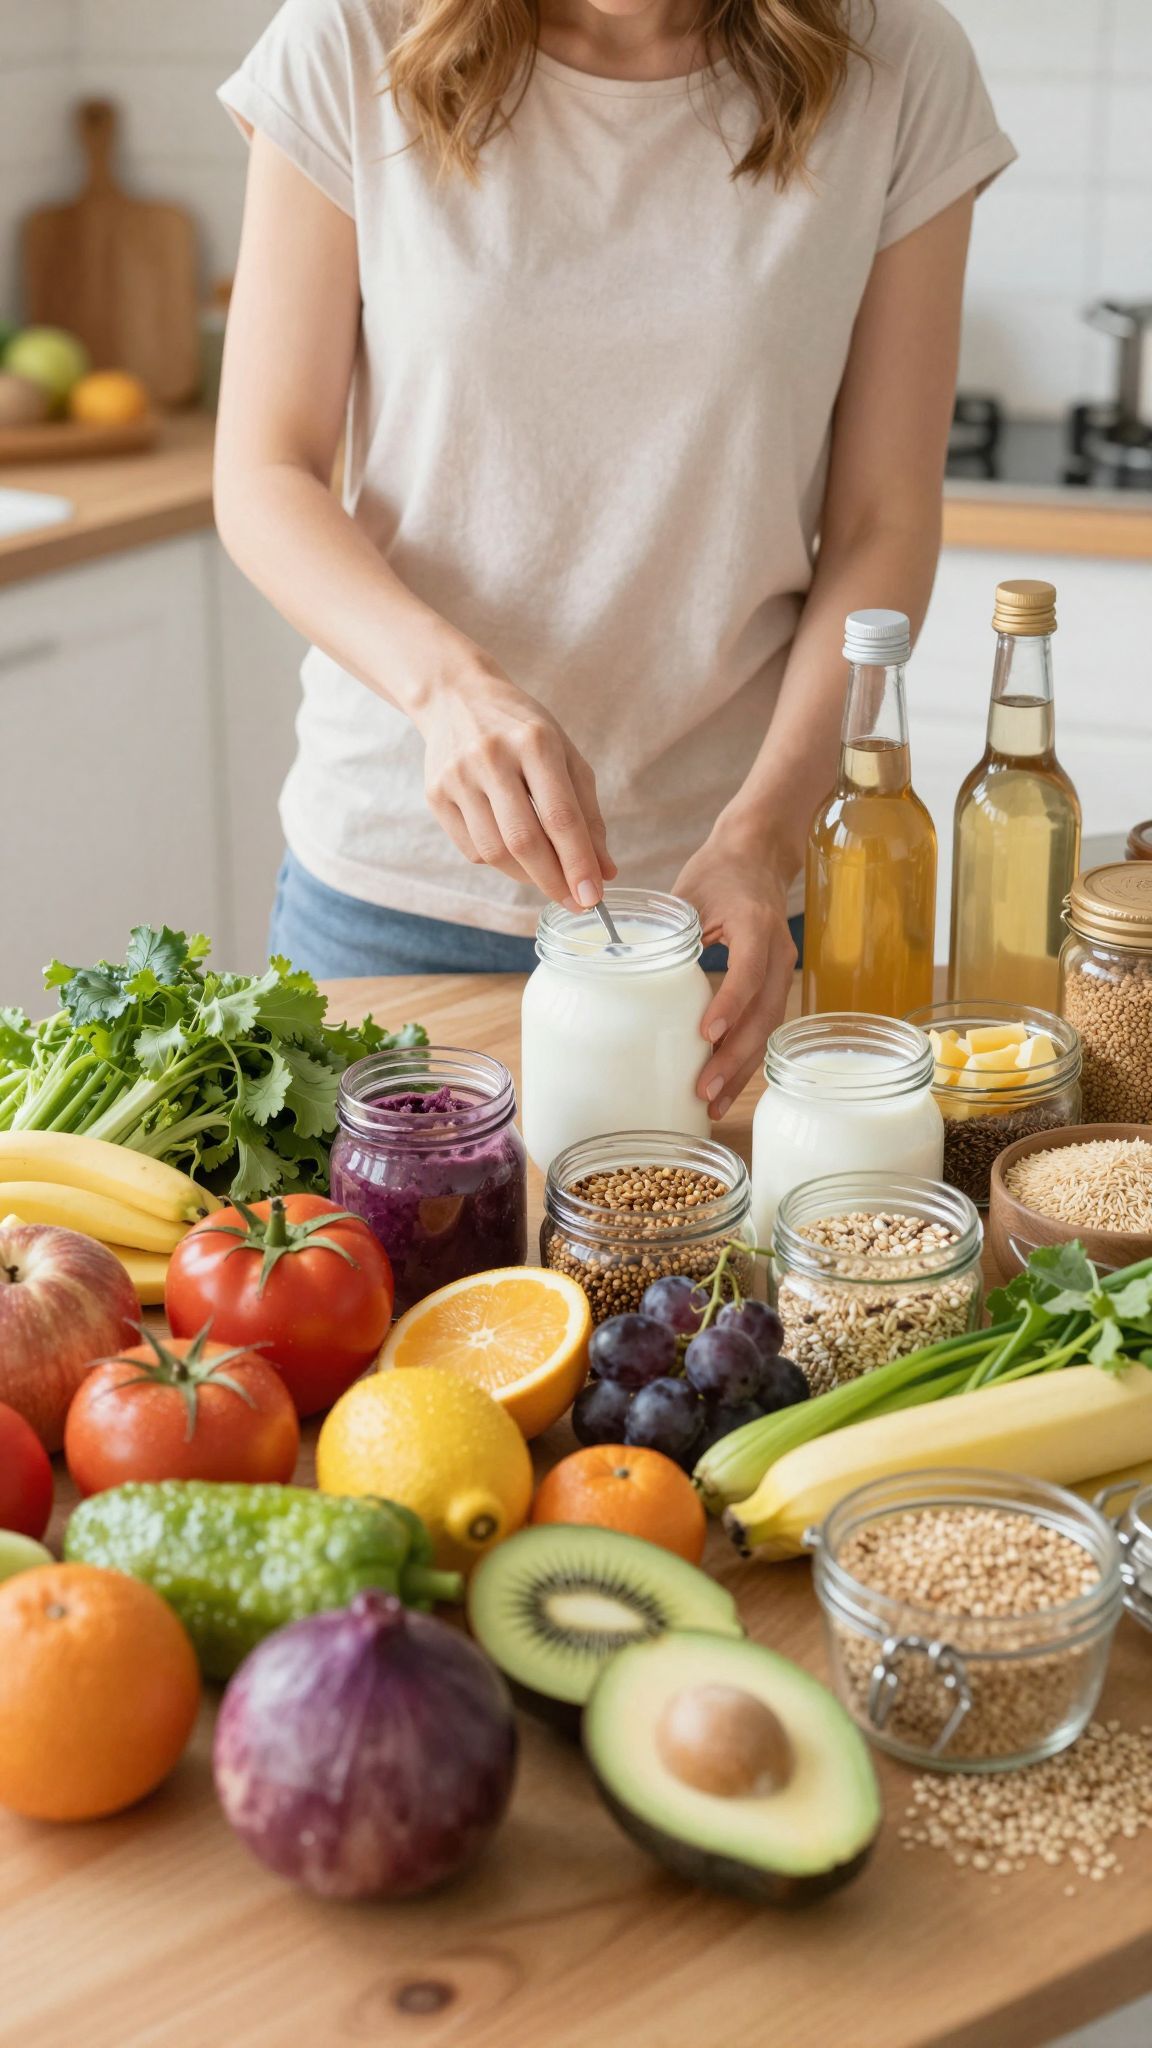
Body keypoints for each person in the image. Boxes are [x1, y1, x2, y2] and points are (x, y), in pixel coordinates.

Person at [215, 0, 1013, 1118]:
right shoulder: (352, 34)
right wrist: (449, 691)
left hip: (724, 909)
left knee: (714, 1293)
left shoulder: (898, 62)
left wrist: (765, 833)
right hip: (393, 884)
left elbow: (884, 517)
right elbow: (264, 471)